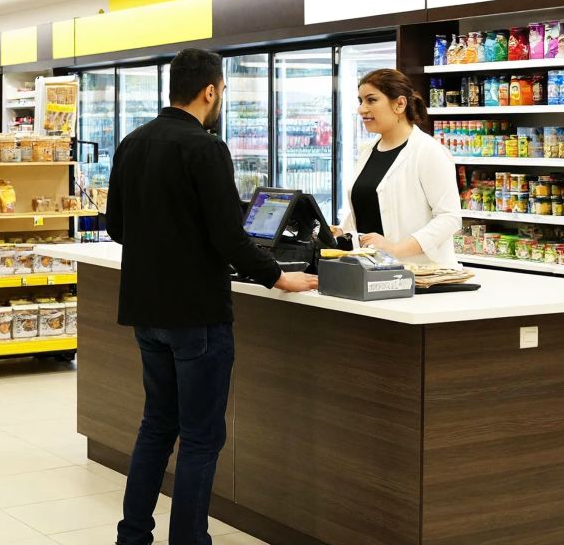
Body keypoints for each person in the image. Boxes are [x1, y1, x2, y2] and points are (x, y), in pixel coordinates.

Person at [107, 48, 317, 545]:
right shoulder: (205, 148)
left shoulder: (132, 142)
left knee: (157, 425)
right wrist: (277, 277)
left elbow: (116, 226)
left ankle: (132, 535)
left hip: (145, 311)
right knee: (201, 438)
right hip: (196, 315)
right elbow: (230, 236)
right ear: (211, 91)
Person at [334, 68, 461, 266]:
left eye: (371, 100)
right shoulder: (367, 151)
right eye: (360, 101)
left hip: (420, 273)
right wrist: (342, 231)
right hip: (371, 268)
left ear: (400, 104)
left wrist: (395, 248)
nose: (362, 109)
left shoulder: (428, 151)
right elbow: (370, 206)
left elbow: (449, 218)